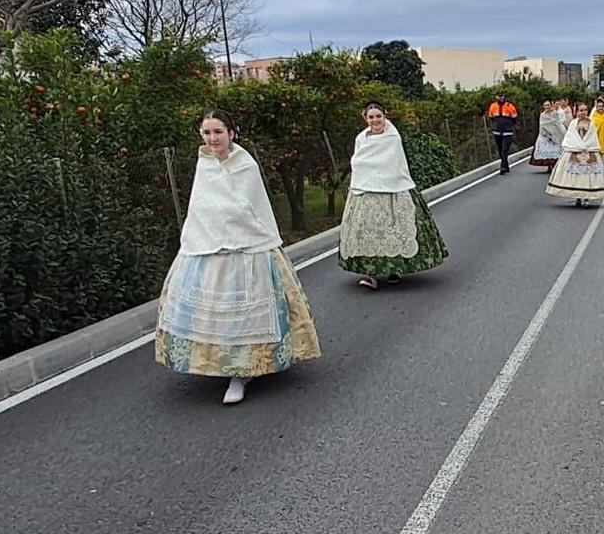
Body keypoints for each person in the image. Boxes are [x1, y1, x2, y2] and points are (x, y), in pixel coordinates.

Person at [156, 110, 322, 404]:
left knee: (246, 312)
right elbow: (201, 207)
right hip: (207, 245)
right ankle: (219, 363)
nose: (212, 138)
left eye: (218, 132)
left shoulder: (246, 165)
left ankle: (242, 372)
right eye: (206, 133)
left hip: (247, 247)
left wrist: (229, 223)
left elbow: (248, 207)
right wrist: (205, 231)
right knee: (213, 312)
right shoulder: (204, 164)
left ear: (232, 133)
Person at [338, 102, 449, 290]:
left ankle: (395, 270)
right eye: (371, 117)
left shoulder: (393, 137)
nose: (375, 120)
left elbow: (393, 162)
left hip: (393, 189)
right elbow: (358, 162)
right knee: (367, 233)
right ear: (365, 118)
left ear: (385, 116)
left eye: (378, 116)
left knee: (396, 230)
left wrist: (382, 175)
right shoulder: (361, 139)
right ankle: (370, 274)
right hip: (365, 191)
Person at [546, 103, 604, 207]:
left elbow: (593, 137)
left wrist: (586, 146)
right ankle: (578, 196)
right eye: (581, 110)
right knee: (576, 177)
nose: (583, 112)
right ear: (576, 111)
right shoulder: (573, 123)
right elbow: (570, 137)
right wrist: (577, 146)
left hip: (589, 151)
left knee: (588, 176)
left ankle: (586, 198)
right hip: (575, 150)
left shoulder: (592, 123)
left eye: (585, 110)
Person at [486, 92, 520, 175]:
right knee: (500, 149)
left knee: (505, 150)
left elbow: (514, 118)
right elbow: (491, 117)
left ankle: (503, 167)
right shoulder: (493, 106)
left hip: (507, 132)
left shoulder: (509, 106)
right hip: (497, 131)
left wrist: (510, 125)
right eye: (498, 96)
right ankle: (506, 165)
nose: (500, 98)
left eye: (502, 96)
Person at [532, 99, 566, 172]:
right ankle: (548, 166)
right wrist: (545, 132)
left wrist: (557, 134)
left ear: (551, 105)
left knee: (555, 150)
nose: (547, 107)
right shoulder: (542, 115)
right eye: (545, 105)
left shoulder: (555, 114)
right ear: (543, 106)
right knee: (546, 150)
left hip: (554, 135)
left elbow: (557, 123)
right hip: (545, 135)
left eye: (548, 105)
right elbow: (542, 124)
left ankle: (554, 165)